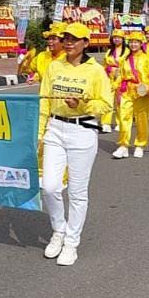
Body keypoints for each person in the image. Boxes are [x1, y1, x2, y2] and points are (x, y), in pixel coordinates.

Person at [39, 22, 113, 266]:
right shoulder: (54, 66)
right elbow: (43, 101)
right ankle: (58, 230)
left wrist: (82, 104)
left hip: (82, 130)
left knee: (77, 192)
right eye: (66, 38)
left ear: (86, 43)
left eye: (74, 39)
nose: (69, 42)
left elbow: (105, 104)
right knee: (49, 186)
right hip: (55, 129)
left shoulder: (95, 71)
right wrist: (39, 134)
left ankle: (72, 242)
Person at [112, 31, 149, 159]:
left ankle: (140, 144)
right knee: (124, 117)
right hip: (126, 91)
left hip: (141, 92)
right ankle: (123, 145)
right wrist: (114, 85)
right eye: (131, 42)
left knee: (141, 119)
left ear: (141, 43)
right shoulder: (124, 59)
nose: (133, 44)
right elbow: (121, 76)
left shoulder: (147, 59)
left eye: (136, 42)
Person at [101, 29, 130, 134]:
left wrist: (120, 72)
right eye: (115, 37)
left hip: (122, 78)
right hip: (109, 78)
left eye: (119, 38)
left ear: (123, 39)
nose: (116, 39)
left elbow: (129, 66)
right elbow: (104, 65)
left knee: (120, 102)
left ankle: (120, 122)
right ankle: (106, 123)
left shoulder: (127, 51)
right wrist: (106, 71)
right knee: (107, 100)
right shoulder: (109, 51)